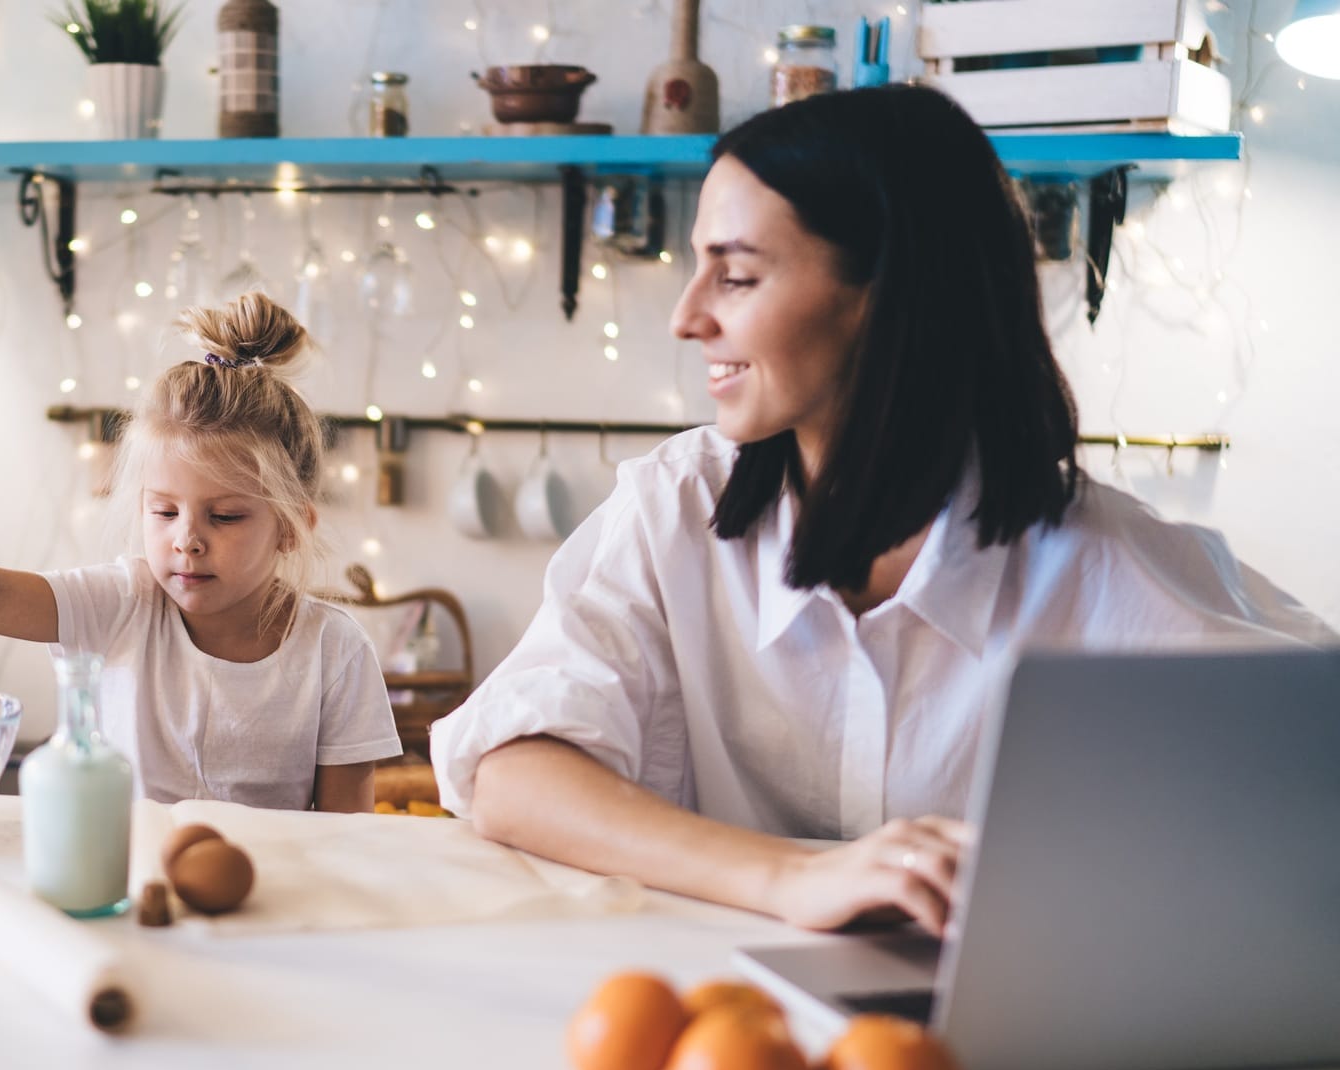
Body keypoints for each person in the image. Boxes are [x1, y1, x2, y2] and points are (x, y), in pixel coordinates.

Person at [432, 85, 1334, 934]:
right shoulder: (676, 508)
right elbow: (512, 771)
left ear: (889, 298)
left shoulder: (1108, 569)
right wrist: (791, 877)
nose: (687, 317)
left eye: (736, 276)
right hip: (717, 1031)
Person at [0, 293, 402, 812]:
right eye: (163, 512)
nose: (186, 539)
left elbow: (343, 831)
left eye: (226, 516)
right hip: (125, 882)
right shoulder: (120, 603)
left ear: (289, 529)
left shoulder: (335, 652)